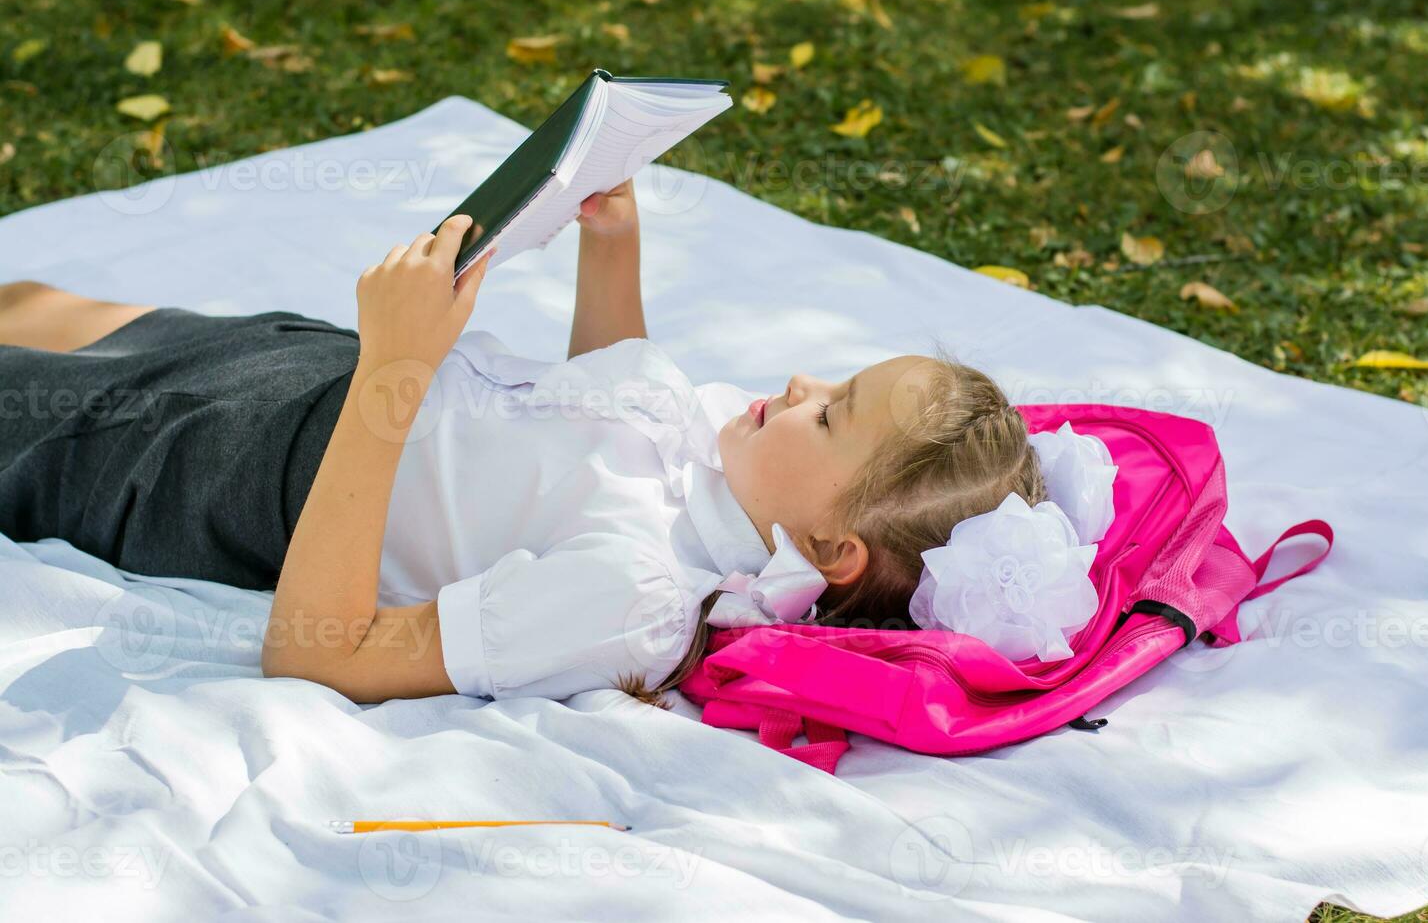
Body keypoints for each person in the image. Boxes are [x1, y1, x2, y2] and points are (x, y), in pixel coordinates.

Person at [0, 180, 1043, 705]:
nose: (801, 384)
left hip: (225, 463)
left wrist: (396, 367)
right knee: (38, 306)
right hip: (320, 370)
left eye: (832, 411)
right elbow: (603, 397)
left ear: (830, 551)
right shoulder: (729, 459)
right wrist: (612, 243)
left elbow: (318, 653)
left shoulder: (633, 596)